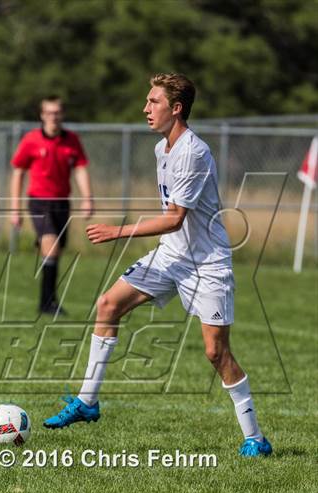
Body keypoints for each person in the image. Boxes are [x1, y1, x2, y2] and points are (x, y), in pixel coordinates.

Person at [43, 73, 272, 458]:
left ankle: (255, 438)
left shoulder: (193, 152)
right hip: (171, 255)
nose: (145, 108)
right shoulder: (161, 149)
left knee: (216, 353)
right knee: (108, 305)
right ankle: (87, 401)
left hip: (207, 264)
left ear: (176, 108)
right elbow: (172, 224)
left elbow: (174, 218)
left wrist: (117, 231)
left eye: (154, 102)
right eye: (147, 102)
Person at [10, 95, 93, 314]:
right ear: (41, 115)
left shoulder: (72, 140)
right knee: (52, 247)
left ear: (62, 115)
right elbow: (18, 172)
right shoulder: (31, 140)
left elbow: (80, 168)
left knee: (55, 251)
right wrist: (15, 209)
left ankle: (47, 302)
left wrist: (87, 198)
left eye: (57, 112)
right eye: (49, 112)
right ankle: (47, 303)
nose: (53, 117)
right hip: (39, 202)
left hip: (62, 203)